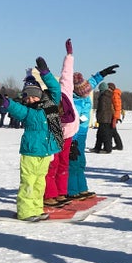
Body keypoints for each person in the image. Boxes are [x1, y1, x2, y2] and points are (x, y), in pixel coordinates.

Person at [0, 60, 64, 221]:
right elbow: (15, 108)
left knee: (40, 182)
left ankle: (36, 208)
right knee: (29, 181)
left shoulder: (50, 105)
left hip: (45, 151)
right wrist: (6, 103)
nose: (31, 100)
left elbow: (55, 89)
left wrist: (45, 73)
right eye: (27, 97)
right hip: (31, 151)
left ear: (40, 95)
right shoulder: (26, 112)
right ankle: (25, 211)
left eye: (34, 96)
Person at [68, 63, 118, 200]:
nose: (86, 95)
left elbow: (92, 82)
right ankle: (71, 191)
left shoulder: (85, 90)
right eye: (83, 94)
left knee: (80, 163)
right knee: (72, 163)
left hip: (82, 135)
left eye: (87, 92)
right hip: (72, 136)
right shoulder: (69, 99)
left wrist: (103, 73)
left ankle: (81, 188)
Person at [44, 38, 81, 207]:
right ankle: (50, 193)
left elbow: (67, 73)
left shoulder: (65, 89)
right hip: (54, 136)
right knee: (53, 164)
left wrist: (69, 55)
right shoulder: (51, 103)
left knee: (63, 164)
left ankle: (61, 192)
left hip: (68, 135)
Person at [90, 82, 114, 154]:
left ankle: (107, 149)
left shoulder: (103, 97)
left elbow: (102, 109)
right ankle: (97, 147)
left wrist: (98, 116)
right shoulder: (107, 95)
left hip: (104, 118)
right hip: (105, 118)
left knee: (105, 134)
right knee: (100, 133)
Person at [109, 83, 124, 150]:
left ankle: (119, 145)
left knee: (113, 131)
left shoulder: (115, 95)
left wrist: (115, 117)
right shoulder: (115, 94)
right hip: (114, 115)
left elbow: (117, 107)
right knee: (113, 131)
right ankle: (119, 145)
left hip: (114, 115)